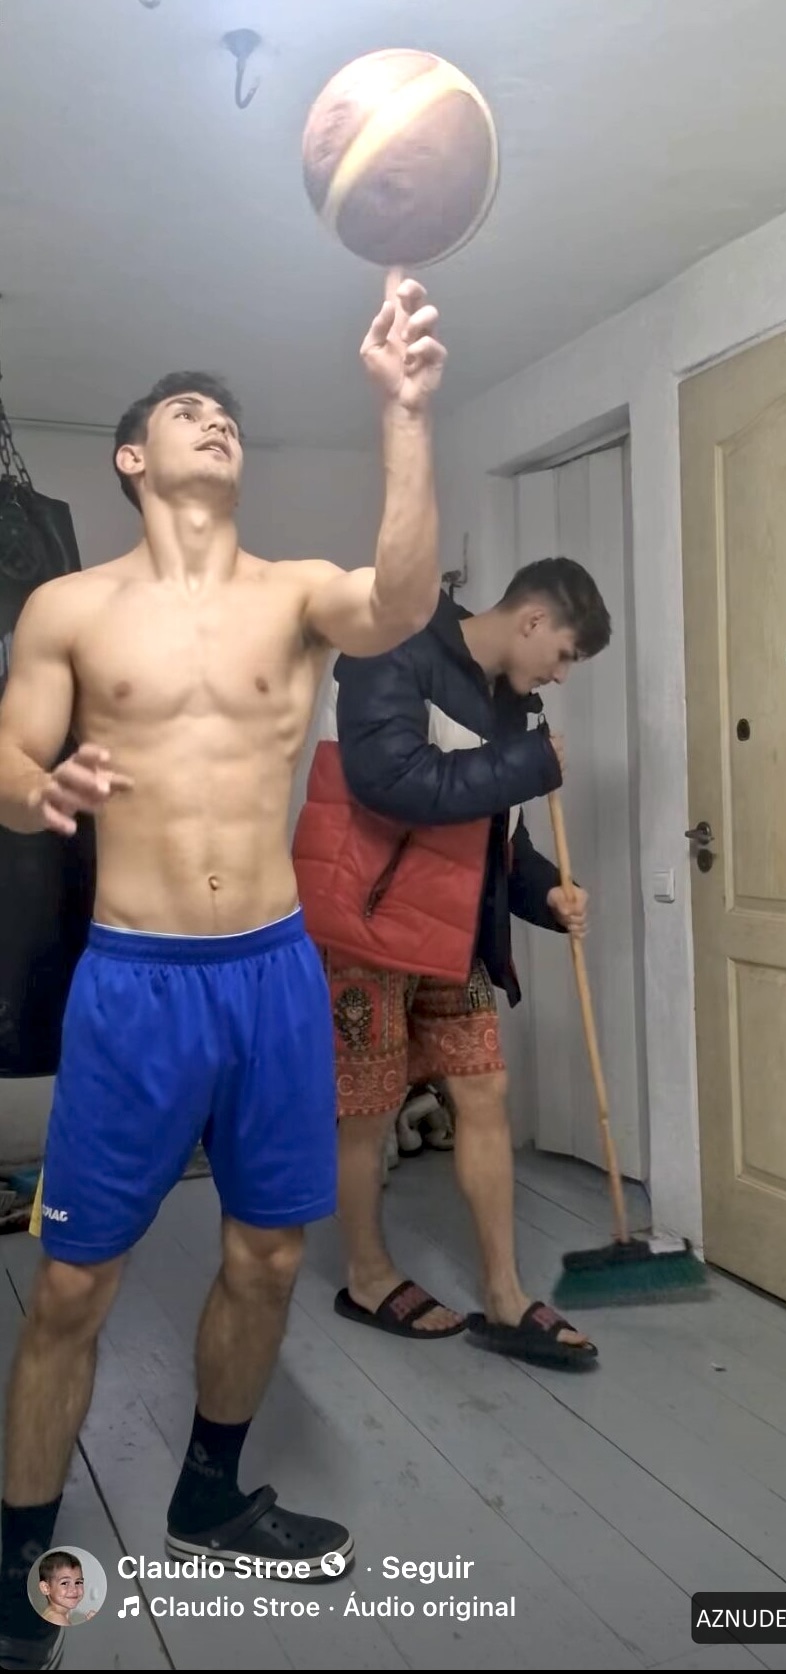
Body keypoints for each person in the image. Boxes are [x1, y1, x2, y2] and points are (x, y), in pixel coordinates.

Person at [0, 268, 447, 1672]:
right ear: (132, 457)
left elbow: (401, 599)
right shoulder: (68, 606)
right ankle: (17, 1555)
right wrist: (38, 788)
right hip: (135, 982)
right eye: (185, 409)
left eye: (227, 412)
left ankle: (209, 1494)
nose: (215, 420)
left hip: (271, 974)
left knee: (268, 1253)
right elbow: (9, 758)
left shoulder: (296, 593)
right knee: (73, 1286)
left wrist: (402, 411)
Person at [293, 556, 611, 1371]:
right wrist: (530, 762)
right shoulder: (391, 640)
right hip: (365, 922)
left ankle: (503, 1295)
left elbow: (497, 832)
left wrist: (546, 893)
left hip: (452, 929)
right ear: (532, 620)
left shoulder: (513, 705)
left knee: (483, 1091)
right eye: (565, 654)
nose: (562, 675)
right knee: (366, 1108)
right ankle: (367, 1276)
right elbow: (389, 779)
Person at [34, 1554, 93, 1629]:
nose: (74, 1590)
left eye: (78, 1582)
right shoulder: (57, 1619)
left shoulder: (54, 1616)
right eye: (64, 1583)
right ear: (46, 1588)